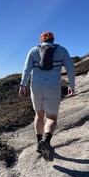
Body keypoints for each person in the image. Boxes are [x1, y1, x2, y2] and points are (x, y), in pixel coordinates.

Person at [19, 31, 75, 161]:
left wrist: (22, 85)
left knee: (39, 115)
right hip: (52, 87)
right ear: (53, 40)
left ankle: (39, 142)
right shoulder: (61, 50)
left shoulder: (33, 50)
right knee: (51, 118)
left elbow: (26, 68)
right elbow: (71, 68)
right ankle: (46, 140)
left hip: (36, 87)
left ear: (41, 40)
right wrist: (71, 86)